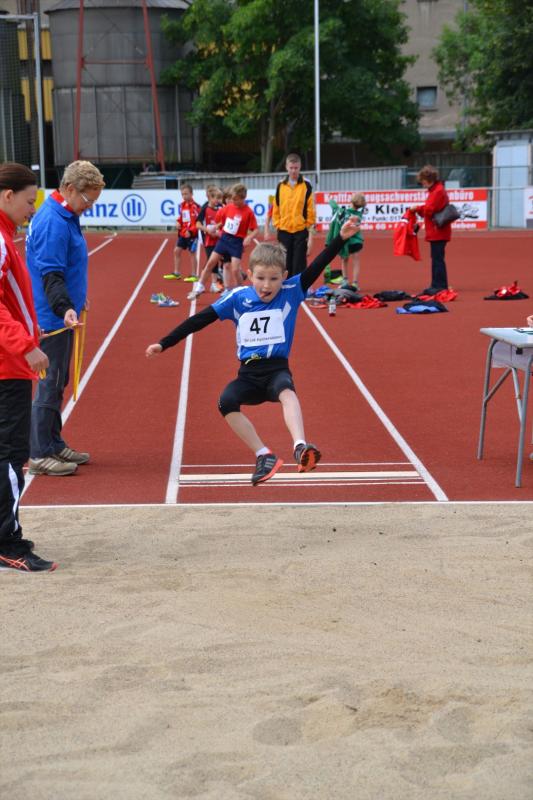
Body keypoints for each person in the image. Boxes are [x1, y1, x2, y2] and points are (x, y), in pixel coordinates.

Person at [146, 216, 360, 485]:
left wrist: (340, 238)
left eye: (273, 279)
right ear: (249, 275)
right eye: (260, 278)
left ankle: (300, 446)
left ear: (284, 277)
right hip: (248, 374)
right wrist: (164, 343)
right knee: (226, 401)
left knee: (287, 392)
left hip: (276, 369)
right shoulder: (237, 298)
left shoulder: (292, 289)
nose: (267, 285)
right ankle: (264, 455)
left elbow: (318, 264)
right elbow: (199, 320)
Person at [26, 159, 105, 476]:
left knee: (59, 381)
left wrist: (77, 297)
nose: (90, 206)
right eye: (88, 199)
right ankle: (39, 452)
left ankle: (54, 443)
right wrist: (64, 307)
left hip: (61, 313)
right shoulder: (53, 222)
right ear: (70, 189)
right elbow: (51, 275)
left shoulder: (66, 215)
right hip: (52, 318)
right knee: (51, 383)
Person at [0, 162, 57, 571]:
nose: (33, 209)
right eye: (29, 200)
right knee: (10, 454)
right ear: (7, 196)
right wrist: (26, 346)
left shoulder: (6, 236)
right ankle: (8, 543)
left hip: (10, 361)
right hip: (7, 365)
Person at [188, 183, 257, 299]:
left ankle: (241, 290)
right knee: (211, 262)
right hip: (224, 239)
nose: (233, 201)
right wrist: (216, 226)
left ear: (243, 198)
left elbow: (255, 229)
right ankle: (199, 288)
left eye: (236, 199)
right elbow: (222, 221)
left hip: (236, 242)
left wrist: (249, 237)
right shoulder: (228, 207)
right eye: (232, 199)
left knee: (235, 269)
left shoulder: (248, 212)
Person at [271, 154, 316, 276]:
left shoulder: (306, 185)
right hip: (283, 230)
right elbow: (276, 206)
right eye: (291, 168)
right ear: (286, 167)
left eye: (296, 168)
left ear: (300, 167)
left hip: (300, 230)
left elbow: (310, 209)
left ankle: (298, 286)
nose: (293, 171)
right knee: (285, 263)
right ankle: (285, 285)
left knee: (299, 263)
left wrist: (309, 229)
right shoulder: (281, 185)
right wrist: (278, 224)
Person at [410, 165, 452, 295]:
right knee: (436, 258)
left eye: (423, 181)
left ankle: (439, 285)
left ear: (429, 179)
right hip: (437, 230)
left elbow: (429, 210)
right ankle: (437, 284)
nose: (422, 183)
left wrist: (418, 208)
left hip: (438, 230)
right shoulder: (437, 190)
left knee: (437, 259)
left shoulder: (437, 191)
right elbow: (429, 208)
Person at [327, 193, 366, 290]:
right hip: (356, 241)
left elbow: (334, 208)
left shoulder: (343, 211)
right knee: (356, 261)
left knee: (344, 260)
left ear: (351, 201)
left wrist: (331, 200)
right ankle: (355, 283)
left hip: (345, 241)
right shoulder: (359, 214)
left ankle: (345, 281)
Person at [164, 183, 201, 281]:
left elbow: (197, 222)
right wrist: (178, 222)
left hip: (192, 235)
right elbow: (182, 217)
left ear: (191, 194)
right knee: (176, 251)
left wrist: (191, 231)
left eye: (186, 194)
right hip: (183, 233)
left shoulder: (196, 207)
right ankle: (177, 273)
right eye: (182, 194)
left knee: (192, 253)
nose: (184, 196)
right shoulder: (183, 205)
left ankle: (194, 274)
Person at [194, 185, 224, 293]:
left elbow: (223, 221)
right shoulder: (205, 209)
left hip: (219, 238)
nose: (218, 201)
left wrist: (217, 228)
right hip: (208, 239)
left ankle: (213, 281)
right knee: (211, 261)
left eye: (220, 198)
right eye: (216, 198)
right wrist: (207, 230)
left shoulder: (221, 207)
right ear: (209, 197)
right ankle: (211, 283)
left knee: (215, 261)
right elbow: (197, 224)